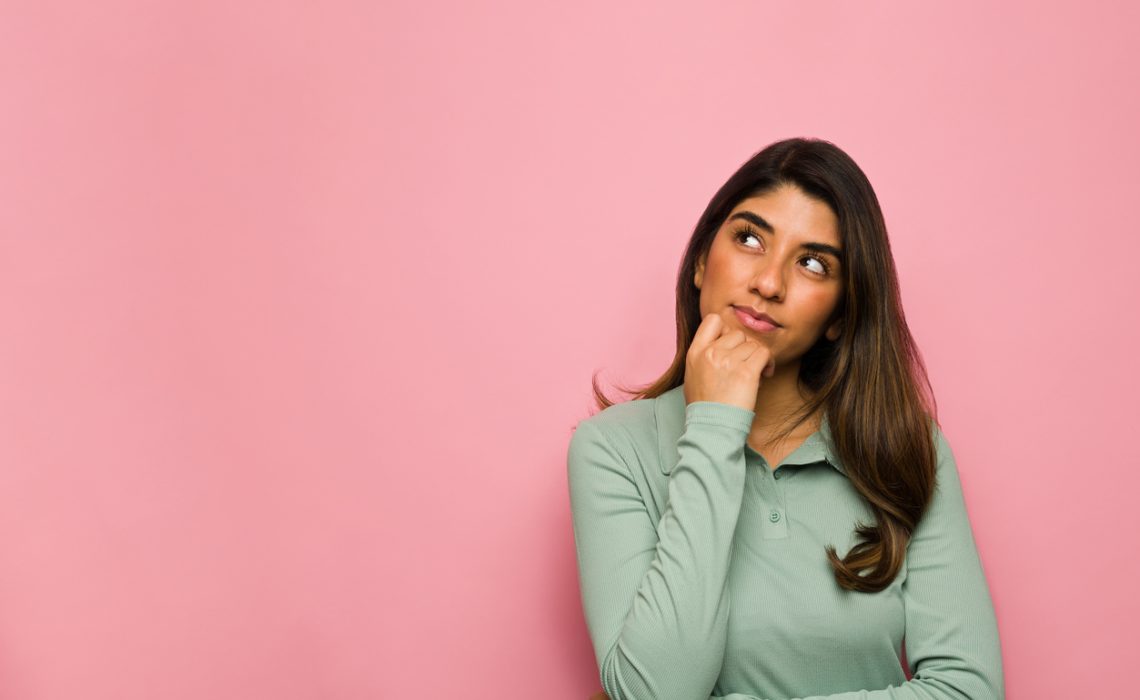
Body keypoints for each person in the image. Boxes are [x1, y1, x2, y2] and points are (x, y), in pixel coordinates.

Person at [566, 138, 1004, 700]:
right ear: (701, 260)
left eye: (813, 263)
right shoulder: (614, 451)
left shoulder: (907, 449)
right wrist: (714, 426)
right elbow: (656, 691)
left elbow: (970, 690)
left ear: (840, 317)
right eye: (749, 238)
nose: (769, 283)